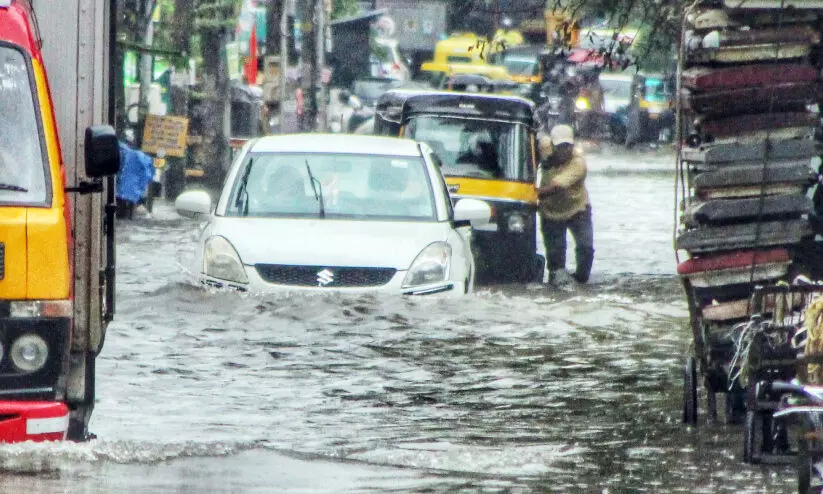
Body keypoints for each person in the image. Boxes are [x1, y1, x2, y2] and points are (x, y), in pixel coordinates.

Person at [537, 124, 594, 286]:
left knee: (586, 248)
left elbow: (554, 187)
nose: (565, 151)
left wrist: (529, 194)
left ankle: (581, 281)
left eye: (568, 146)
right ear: (553, 146)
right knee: (555, 260)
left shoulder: (578, 163)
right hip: (550, 212)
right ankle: (557, 284)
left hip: (577, 209)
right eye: (561, 147)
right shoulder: (543, 147)